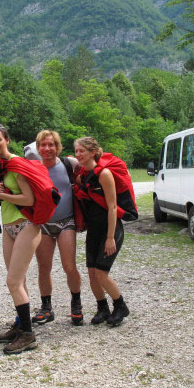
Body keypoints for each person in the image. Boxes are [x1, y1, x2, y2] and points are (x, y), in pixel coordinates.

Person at [0, 124, 44, 354]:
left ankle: (28, 335)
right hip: (9, 226)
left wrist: (2, 194)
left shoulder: (17, 165)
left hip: (27, 224)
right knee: (18, 280)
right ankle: (21, 324)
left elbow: (28, 199)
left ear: (7, 140)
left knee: (13, 281)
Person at [74, 137, 130, 327]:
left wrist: (109, 238)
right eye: (76, 151)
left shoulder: (104, 174)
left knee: (101, 273)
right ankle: (102, 308)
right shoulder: (83, 175)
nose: (78, 155)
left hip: (110, 230)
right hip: (94, 231)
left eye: (82, 151)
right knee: (92, 273)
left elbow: (113, 207)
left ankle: (120, 306)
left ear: (93, 152)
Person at [32, 130, 84, 326]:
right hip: (43, 223)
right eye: (43, 145)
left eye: (51, 144)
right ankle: (46, 308)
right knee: (44, 267)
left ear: (58, 147)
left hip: (66, 221)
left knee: (69, 266)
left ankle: (76, 305)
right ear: (38, 148)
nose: (47, 148)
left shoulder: (68, 164)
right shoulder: (34, 168)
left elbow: (90, 169)